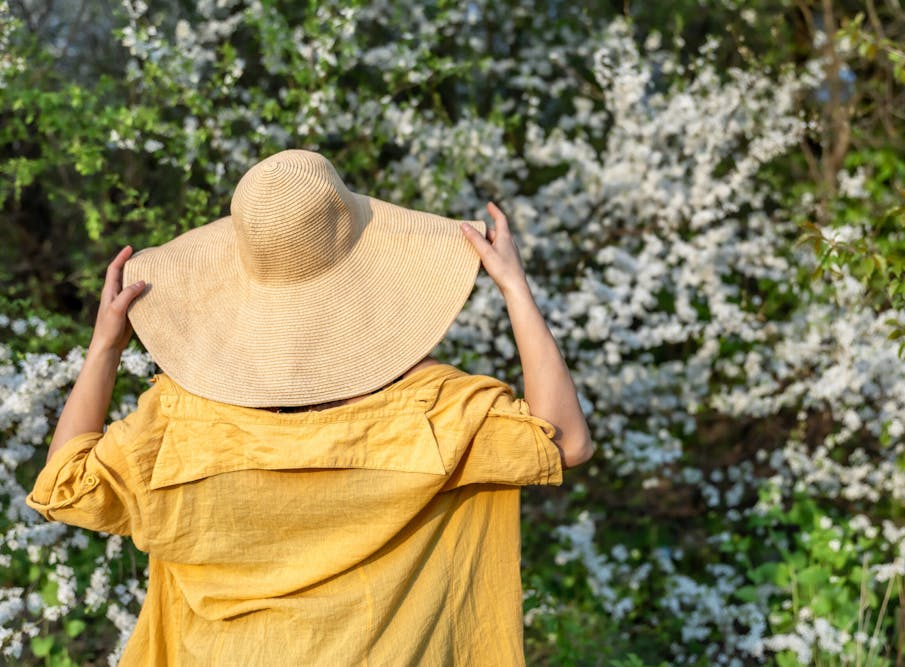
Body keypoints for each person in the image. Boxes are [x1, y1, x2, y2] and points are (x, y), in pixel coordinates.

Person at [27, 149, 592, 666]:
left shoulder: (178, 425)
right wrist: (515, 288)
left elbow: (64, 485)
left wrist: (105, 347)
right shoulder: (433, 412)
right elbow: (566, 441)